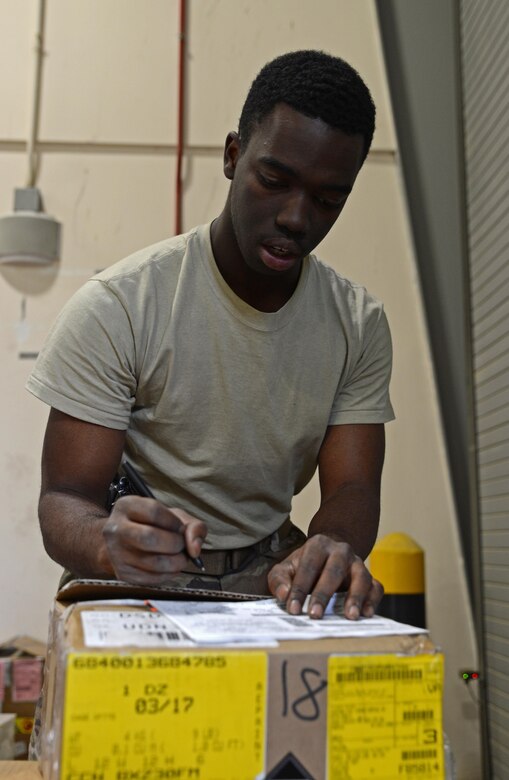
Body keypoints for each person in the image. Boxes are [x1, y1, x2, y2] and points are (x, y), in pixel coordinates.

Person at [27, 49, 394, 621]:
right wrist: (106, 543)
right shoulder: (121, 305)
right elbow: (64, 500)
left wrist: (334, 546)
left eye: (327, 200)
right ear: (232, 156)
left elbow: (353, 489)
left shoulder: (358, 324)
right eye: (274, 180)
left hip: (275, 571)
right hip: (134, 571)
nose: (297, 218)